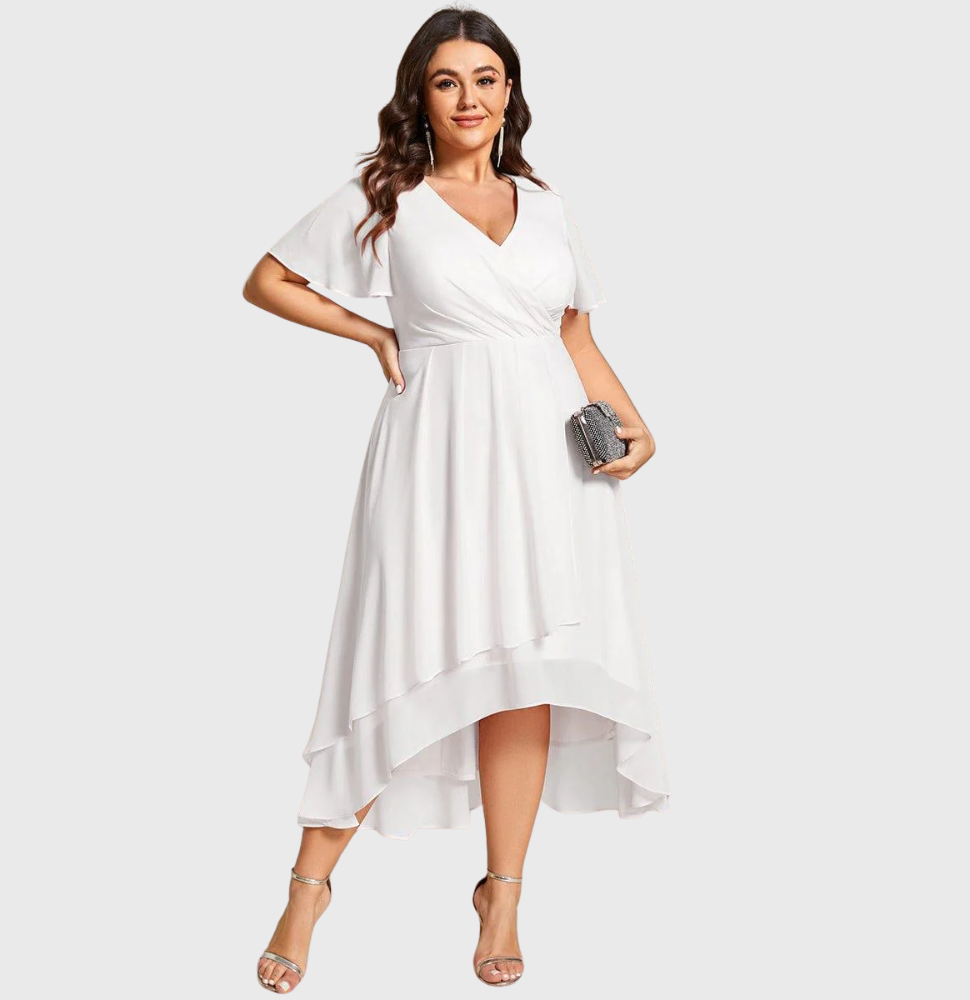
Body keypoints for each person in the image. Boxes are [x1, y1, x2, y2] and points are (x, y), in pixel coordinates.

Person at [242, 8, 670, 991]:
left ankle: (502, 893)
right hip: (434, 452)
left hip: (550, 463)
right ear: (420, 96)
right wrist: (371, 332)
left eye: (486, 78)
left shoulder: (546, 205)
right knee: (391, 655)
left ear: (510, 90)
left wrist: (635, 421)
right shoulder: (389, 195)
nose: (469, 97)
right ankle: (308, 888)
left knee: (525, 666)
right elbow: (267, 280)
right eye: (447, 81)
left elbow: (572, 338)